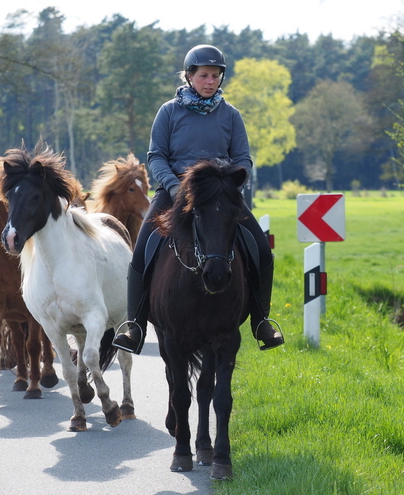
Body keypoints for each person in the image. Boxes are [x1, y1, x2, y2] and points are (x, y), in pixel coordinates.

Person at [112, 44, 284, 354]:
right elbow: (156, 156)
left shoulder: (231, 115)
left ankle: (261, 322)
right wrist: (175, 188)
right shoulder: (169, 112)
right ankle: (135, 325)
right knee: (141, 252)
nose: (210, 81)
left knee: (261, 250)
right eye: (204, 75)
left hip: (219, 194)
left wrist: (232, 186)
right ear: (189, 76)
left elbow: (242, 158)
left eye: (216, 76)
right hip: (174, 191)